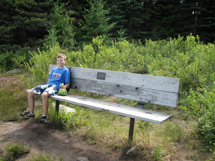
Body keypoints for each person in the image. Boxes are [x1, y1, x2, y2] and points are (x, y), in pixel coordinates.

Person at [20, 53, 70, 123]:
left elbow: (67, 83)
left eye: (61, 60)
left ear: (65, 61)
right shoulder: (54, 69)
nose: (59, 62)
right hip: (48, 85)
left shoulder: (65, 71)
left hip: (55, 87)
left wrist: (64, 87)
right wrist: (45, 86)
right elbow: (51, 80)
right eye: (58, 60)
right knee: (30, 92)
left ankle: (45, 116)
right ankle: (31, 113)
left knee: (44, 95)